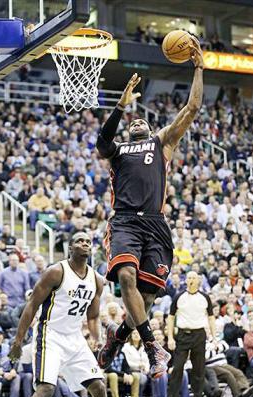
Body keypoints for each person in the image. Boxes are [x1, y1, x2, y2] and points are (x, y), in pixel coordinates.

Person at [97, 35, 203, 379]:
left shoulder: (162, 143)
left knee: (146, 296)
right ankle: (153, 346)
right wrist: (120, 107)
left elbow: (192, 108)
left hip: (156, 225)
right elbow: (102, 142)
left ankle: (119, 336)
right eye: (132, 123)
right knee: (126, 276)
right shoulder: (118, 152)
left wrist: (199, 68)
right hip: (125, 221)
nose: (137, 123)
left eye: (141, 121)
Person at [9, 232, 109, 397]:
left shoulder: (96, 279)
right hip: (50, 335)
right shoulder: (56, 272)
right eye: (80, 240)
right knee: (46, 388)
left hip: (75, 338)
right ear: (70, 248)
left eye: (88, 241)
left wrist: (98, 338)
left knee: (99, 387)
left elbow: (93, 316)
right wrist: (18, 341)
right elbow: (31, 306)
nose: (85, 243)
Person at [161, 271, 216, 397]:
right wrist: (171, 338)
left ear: (198, 281)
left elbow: (211, 318)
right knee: (177, 369)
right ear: (186, 281)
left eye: (194, 278)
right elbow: (171, 317)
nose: (191, 280)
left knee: (199, 371)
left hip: (199, 335)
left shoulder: (205, 298)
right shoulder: (179, 296)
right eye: (189, 277)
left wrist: (214, 337)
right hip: (183, 335)